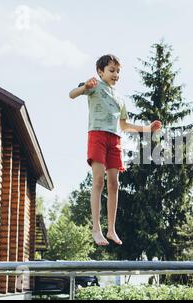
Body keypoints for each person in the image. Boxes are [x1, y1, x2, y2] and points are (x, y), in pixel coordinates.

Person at [69, 54, 162, 247]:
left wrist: (147, 129)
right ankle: (96, 229)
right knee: (98, 181)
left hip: (115, 139)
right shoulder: (94, 86)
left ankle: (111, 229)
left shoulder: (120, 98)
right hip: (97, 135)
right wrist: (85, 87)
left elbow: (124, 125)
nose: (115, 74)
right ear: (100, 71)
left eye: (118, 71)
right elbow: (72, 94)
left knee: (114, 184)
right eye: (111, 70)